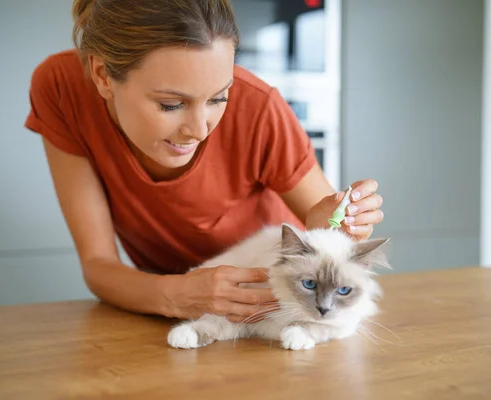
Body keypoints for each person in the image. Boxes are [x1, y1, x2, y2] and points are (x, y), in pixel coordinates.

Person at [25, 0, 384, 324]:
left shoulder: (259, 108)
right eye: (171, 104)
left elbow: (331, 235)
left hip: (271, 312)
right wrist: (176, 295)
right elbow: (98, 266)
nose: (199, 131)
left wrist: (331, 229)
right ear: (103, 76)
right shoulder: (60, 87)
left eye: (219, 98)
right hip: (163, 310)